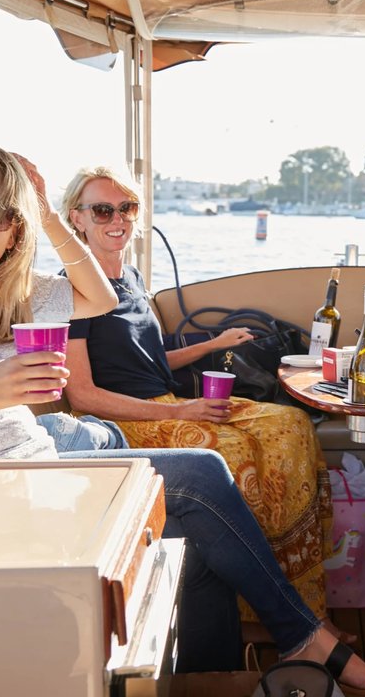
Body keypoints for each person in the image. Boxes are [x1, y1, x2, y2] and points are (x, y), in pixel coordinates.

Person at [0, 143, 365, 694]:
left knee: (194, 526)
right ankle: (301, 636)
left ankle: (218, 670)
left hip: (31, 463)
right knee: (201, 476)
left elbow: (101, 299)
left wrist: (43, 212)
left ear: (15, 233)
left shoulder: (7, 289)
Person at [56, 166, 336, 629]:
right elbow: (82, 395)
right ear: (76, 219)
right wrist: (184, 409)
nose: (117, 218)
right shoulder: (71, 290)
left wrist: (212, 344)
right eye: (103, 209)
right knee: (239, 454)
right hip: (128, 423)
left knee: (291, 426)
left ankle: (303, 596)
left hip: (167, 401)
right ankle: (258, 609)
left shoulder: (130, 278)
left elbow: (152, 361)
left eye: (127, 208)